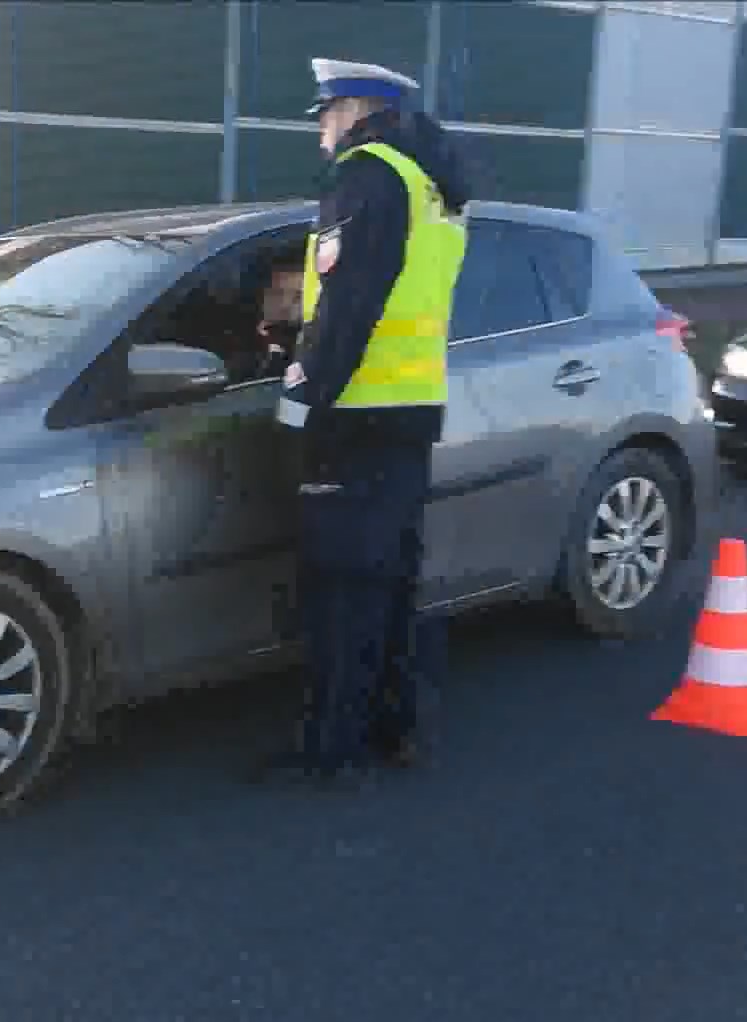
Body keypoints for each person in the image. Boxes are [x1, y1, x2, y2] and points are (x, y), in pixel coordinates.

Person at [254, 57, 471, 787]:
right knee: (389, 581)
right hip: (411, 410)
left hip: (357, 416)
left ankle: (330, 750)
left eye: (325, 114)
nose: (320, 129)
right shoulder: (432, 184)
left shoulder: (368, 175)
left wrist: (300, 406)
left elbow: (348, 310)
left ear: (353, 110)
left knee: (339, 588)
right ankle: (396, 728)